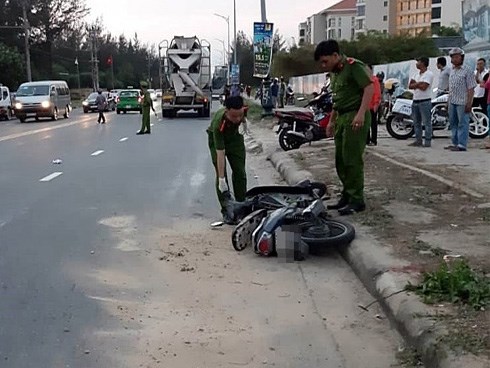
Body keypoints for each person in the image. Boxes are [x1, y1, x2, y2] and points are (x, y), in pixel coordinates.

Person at [314, 39, 374, 215]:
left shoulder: (353, 66)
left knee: (352, 160)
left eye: (325, 61)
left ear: (335, 55)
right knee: (341, 159)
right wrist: (331, 121)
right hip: (342, 117)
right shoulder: (334, 72)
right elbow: (337, 99)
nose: (323, 65)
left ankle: (357, 200)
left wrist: (361, 113)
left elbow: (369, 88)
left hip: (355, 116)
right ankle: (347, 195)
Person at [207, 96, 247, 224]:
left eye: (239, 115)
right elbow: (220, 153)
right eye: (233, 117)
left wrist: (243, 123)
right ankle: (227, 210)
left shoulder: (242, 111)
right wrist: (221, 179)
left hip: (235, 139)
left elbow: (242, 118)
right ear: (226, 111)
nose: (237, 119)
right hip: (218, 141)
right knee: (221, 175)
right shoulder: (219, 123)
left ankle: (241, 206)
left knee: (240, 172)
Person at [446, 47, 477, 152]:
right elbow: (451, 88)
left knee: (462, 123)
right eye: (452, 57)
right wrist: (448, 101)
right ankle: (455, 143)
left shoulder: (467, 70)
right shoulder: (452, 70)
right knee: (453, 122)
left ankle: (462, 144)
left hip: (462, 101)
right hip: (452, 101)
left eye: (456, 57)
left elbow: (471, 88)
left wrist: (469, 103)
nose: (454, 59)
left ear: (461, 57)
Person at [408, 57, 434, 147]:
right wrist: (419, 83)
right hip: (415, 100)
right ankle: (418, 140)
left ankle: (427, 141)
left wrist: (416, 84)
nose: (416, 63)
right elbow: (410, 86)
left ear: (423, 63)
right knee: (416, 122)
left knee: (427, 122)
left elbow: (424, 87)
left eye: (418, 61)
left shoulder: (429, 74)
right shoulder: (416, 74)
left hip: (425, 101)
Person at [367, 65, 381, 146]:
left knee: (373, 123)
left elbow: (377, 93)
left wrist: (376, 103)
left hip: (372, 105)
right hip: (366, 105)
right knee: (366, 124)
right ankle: (367, 139)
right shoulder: (365, 80)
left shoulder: (374, 80)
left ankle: (373, 140)